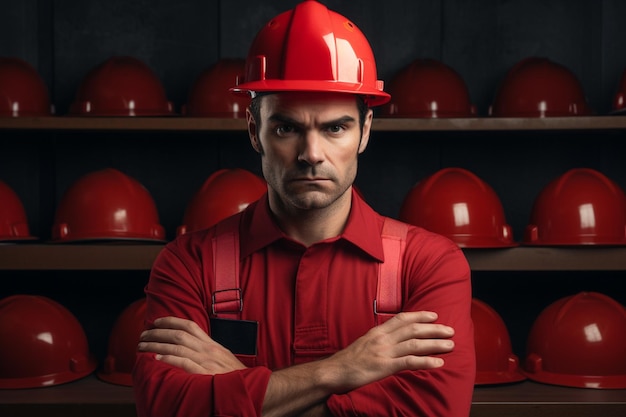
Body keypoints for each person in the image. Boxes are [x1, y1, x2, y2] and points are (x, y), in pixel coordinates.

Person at [132, 1, 475, 416]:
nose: (311, 154)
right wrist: (339, 370)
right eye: (287, 128)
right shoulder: (188, 264)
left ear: (364, 132)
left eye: (335, 127)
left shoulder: (430, 265)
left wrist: (242, 390)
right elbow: (166, 408)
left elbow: (435, 410)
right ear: (254, 132)